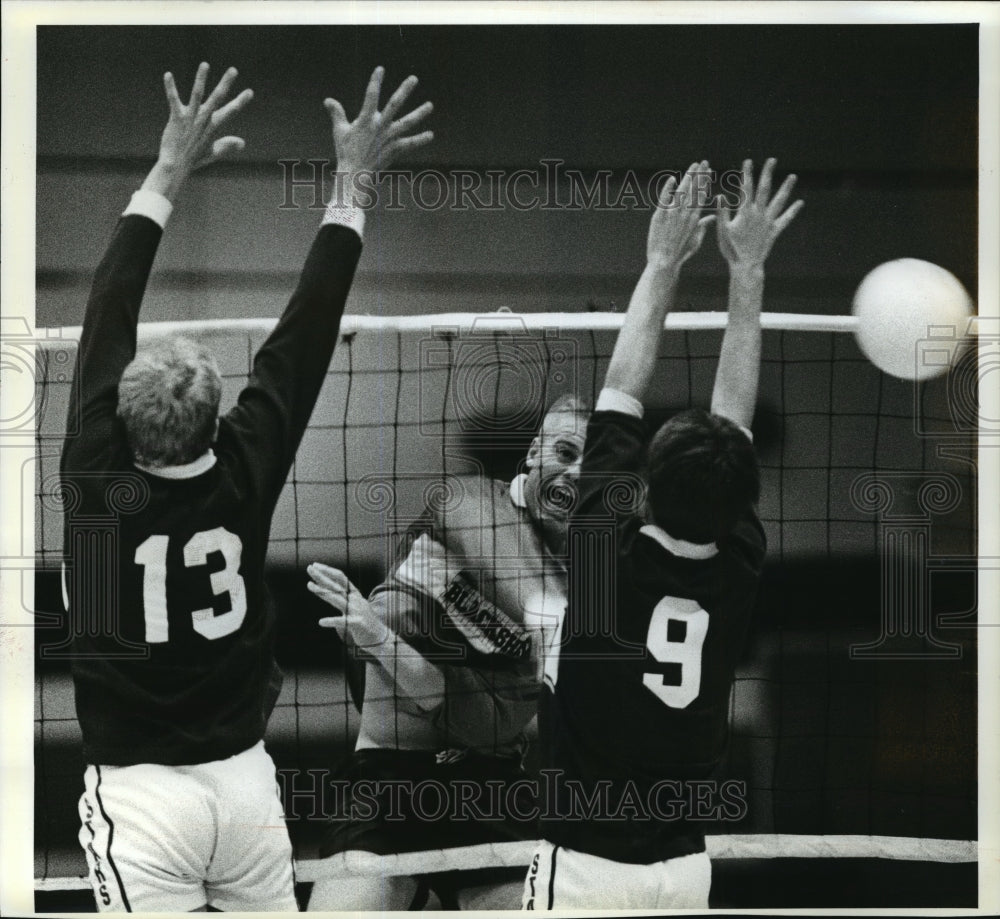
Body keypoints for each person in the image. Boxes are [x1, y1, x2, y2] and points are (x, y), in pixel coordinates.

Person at [60, 63, 433, 912]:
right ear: (214, 416)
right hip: (243, 790)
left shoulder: (93, 475)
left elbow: (106, 308)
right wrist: (352, 183)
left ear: (120, 420)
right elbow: (304, 336)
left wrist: (166, 170)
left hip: (142, 798)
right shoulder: (243, 468)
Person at [523, 158, 803, 909]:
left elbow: (620, 391)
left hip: (587, 863)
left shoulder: (602, 555)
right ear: (741, 495)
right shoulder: (735, 564)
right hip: (684, 868)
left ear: (642, 493)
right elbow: (732, 418)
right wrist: (748, 273)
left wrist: (662, 262)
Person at [305, 394, 589, 911]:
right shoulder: (469, 511)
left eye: (593, 466)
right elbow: (391, 644)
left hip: (489, 790)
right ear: (533, 453)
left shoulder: (586, 581)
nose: (575, 473)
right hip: (387, 783)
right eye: (565, 453)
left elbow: (483, 721)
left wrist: (383, 645)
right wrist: (380, 641)